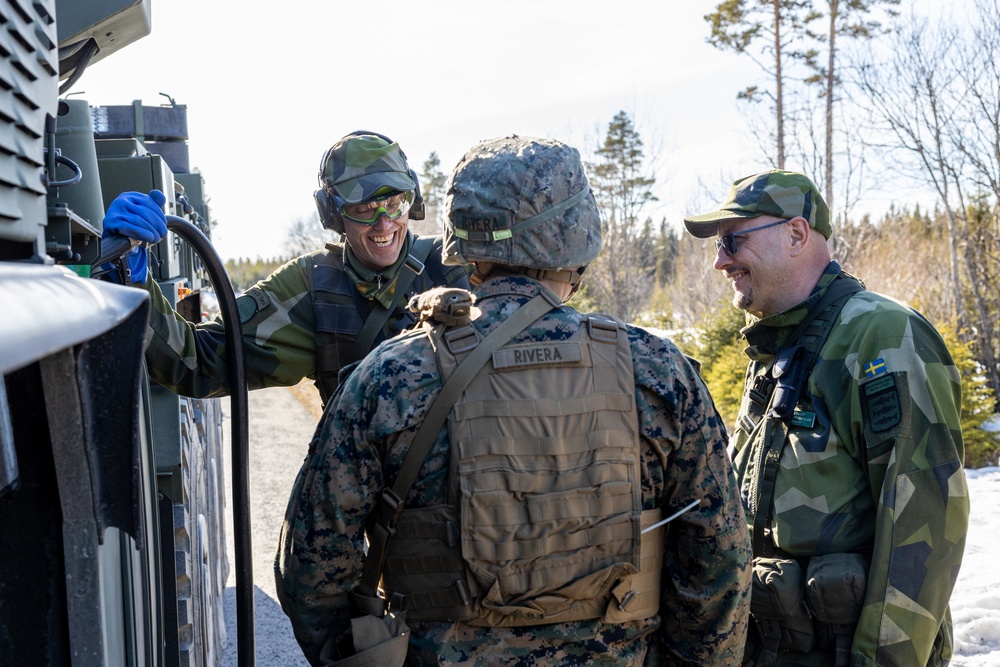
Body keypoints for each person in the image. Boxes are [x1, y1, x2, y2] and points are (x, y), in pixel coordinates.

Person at [275, 135, 752, 667]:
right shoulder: (659, 372)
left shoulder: (390, 376)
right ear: (577, 234)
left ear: (464, 240)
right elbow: (719, 559)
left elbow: (311, 570)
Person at [683, 169, 970, 667]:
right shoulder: (777, 346)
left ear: (796, 234)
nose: (719, 261)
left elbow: (925, 519)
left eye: (732, 241)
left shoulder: (880, 335)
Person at [101, 130, 470, 404]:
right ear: (334, 215)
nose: (385, 224)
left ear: (413, 198)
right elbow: (198, 361)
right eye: (363, 209)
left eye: (395, 203)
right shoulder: (311, 289)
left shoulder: (455, 263)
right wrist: (133, 277)